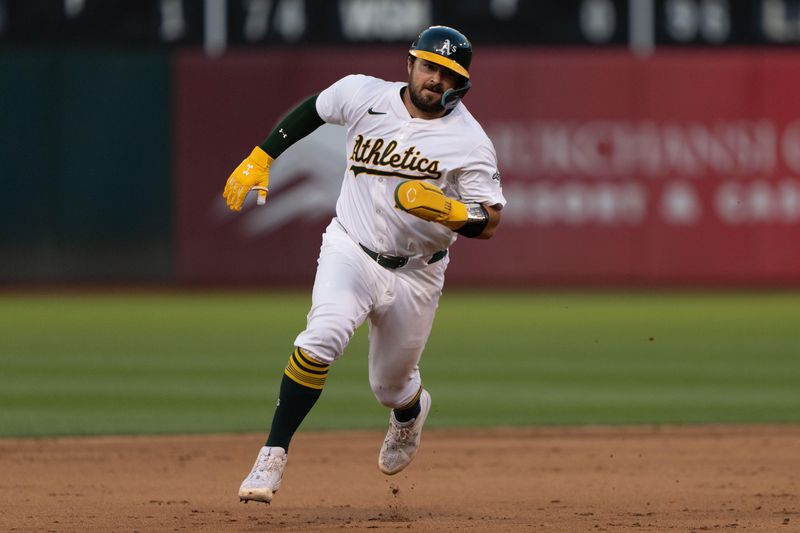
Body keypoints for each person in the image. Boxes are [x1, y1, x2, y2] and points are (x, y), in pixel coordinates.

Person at [223, 25, 505, 504]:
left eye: (448, 73)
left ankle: (409, 411)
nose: (435, 79)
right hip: (350, 247)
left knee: (389, 385)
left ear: (461, 83)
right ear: (410, 63)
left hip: (417, 271)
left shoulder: (469, 142)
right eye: (429, 66)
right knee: (323, 334)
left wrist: (452, 211)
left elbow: (490, 218)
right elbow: (314, 108)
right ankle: (272, 453)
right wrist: (262, 155)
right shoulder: (362, 94)